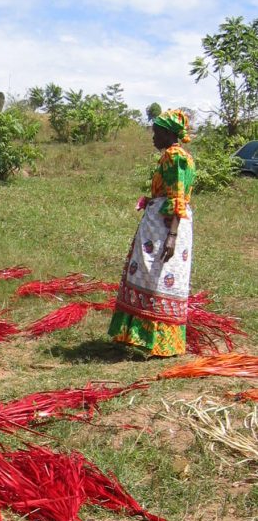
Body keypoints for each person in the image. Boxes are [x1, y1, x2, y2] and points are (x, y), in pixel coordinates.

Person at [108, 109, 196, 357]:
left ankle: (154, 340)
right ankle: (149, 339)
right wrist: (150, 200)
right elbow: (170, 194)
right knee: (158, 276)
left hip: (165, 227)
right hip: (166, 222)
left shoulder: (174, 157)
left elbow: (177, 197)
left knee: (154, 276)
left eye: (156, 132)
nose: (153, 137)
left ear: (169, 134)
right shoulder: (177, 156)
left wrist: (171, 236)